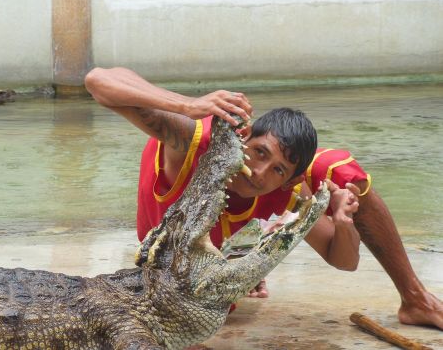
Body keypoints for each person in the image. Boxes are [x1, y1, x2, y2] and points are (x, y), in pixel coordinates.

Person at [85, 66, 443, 330]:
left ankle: (415, 299)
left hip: (217, 253)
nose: (259, 173)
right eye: (258, 153)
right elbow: (98, 81)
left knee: (340, 171)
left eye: (277, 170)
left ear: (290, 180)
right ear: (244, 137)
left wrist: (344, 221)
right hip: (166, 256)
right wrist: (188, 105)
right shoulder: (195, 141)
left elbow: (344, 261)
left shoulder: (288, 189)